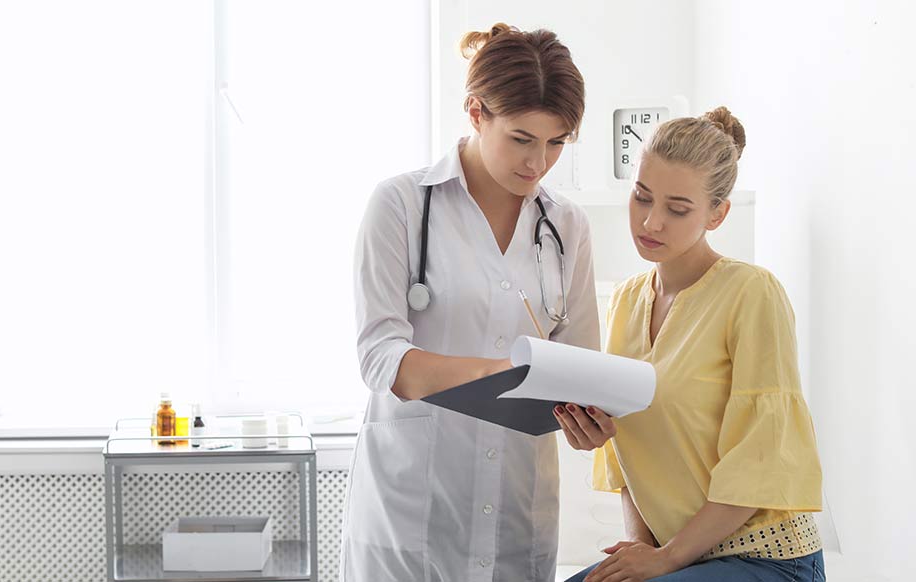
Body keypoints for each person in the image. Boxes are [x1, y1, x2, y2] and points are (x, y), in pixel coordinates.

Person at [341, 23, 616, 582]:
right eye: (521, 138)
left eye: (557, 142)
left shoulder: (567, 226)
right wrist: (505, 374)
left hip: (518, 516)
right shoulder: (400, 205)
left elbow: (578, 363)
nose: (538, 162)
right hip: (412, 516)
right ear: (475, 112)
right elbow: (381, 359)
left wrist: (587, 419)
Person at [563, 107, 825, 582]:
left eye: (677, 209)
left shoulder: (752, 293)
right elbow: (632, 454)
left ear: (718, 213)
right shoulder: (624, 302)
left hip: (765, 557)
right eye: (642, 198)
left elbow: (760, 461)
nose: (652, 222)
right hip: (677, 556)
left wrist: (665, 561)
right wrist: (641, 554)